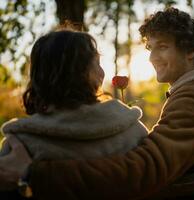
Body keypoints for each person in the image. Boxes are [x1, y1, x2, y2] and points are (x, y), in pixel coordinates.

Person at [0, 7, 194, 199]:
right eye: (150, 48)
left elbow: (146, 168)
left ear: (190, 51)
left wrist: (35, 174)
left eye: (163, 47)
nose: (152, 57)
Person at [0, 30, 148, 196]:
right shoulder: (131, 130)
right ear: (94, 75)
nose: (102, 71)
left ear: (38, 76)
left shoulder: (19, 145)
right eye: (97, 63)